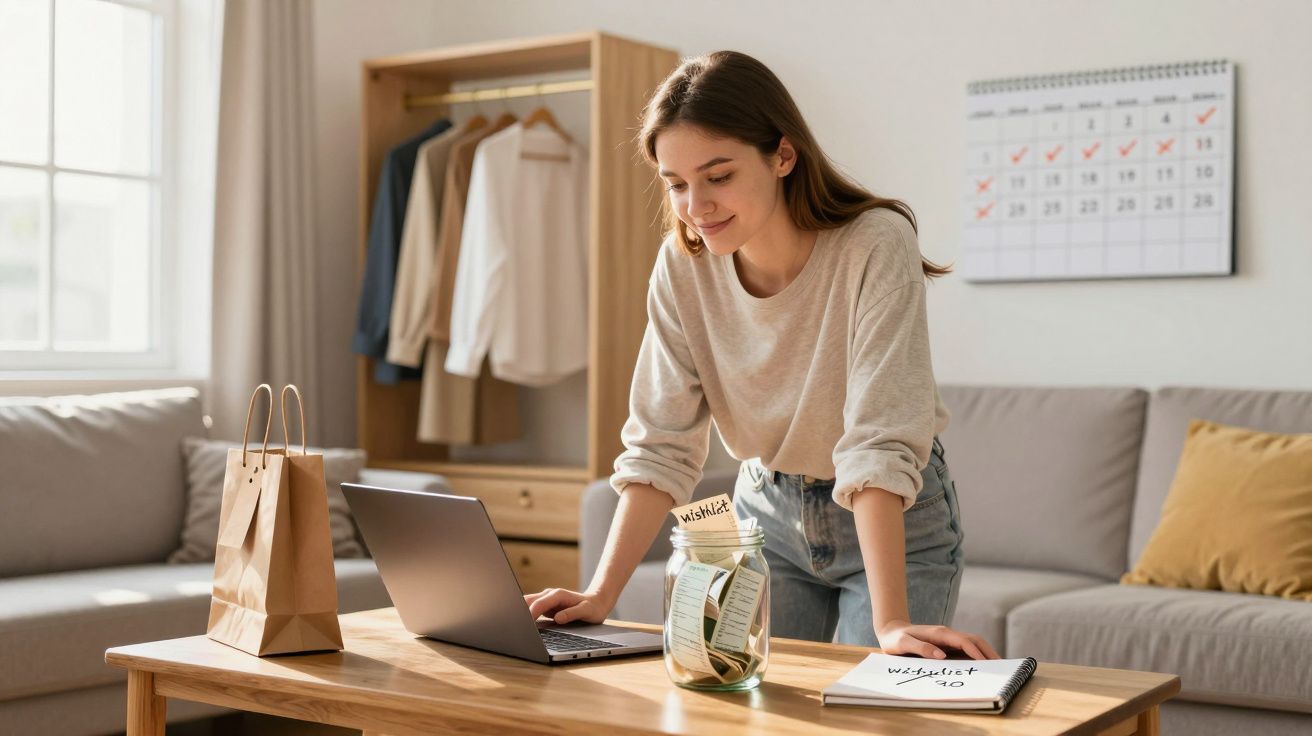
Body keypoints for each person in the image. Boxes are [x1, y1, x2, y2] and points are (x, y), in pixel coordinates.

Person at [524, 50, 1000, 661]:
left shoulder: (875, 245)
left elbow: (879, 442)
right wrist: (599, 594)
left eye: (718, 176)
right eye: (676, 184)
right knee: (738, 702)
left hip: (893, 519)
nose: (696, 206)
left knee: (875, 711)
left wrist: (890, 624)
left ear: (782, 155)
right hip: (764, 515)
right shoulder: (683, 266)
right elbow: (660, 444)